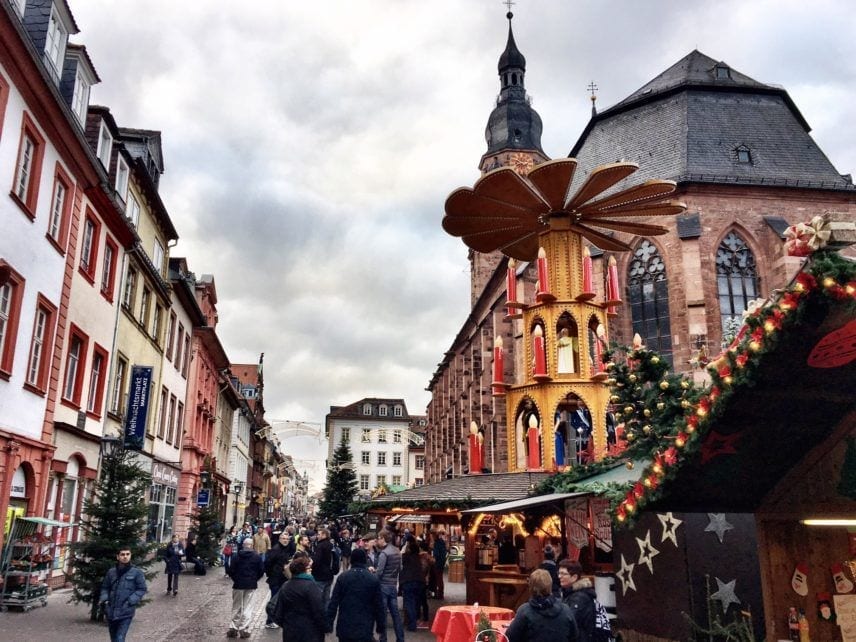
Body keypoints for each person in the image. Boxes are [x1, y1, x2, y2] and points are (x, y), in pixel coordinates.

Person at [326, 547, 386, 642]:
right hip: (365, 626)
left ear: (352, 560)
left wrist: (329, 624)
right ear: (364, 560)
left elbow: (333, 603)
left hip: (345, 625)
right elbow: (379, 605)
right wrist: (380, 626)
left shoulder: (343, 578)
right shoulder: (373, 579)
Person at [505, 569, 579, 642]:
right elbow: (575, 636)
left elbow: (509, 637)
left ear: (530, 586)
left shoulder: (525, 611)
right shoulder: (565, 609)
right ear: (550, 585)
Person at [273, 554, 326, 642]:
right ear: (302, 570)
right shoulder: (311, 586)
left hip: (290, 631)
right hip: (310, 632)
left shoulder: (285, 586)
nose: (311, 570)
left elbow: (278, 612)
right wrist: (325, 627)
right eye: (308, 568)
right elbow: (318, 610)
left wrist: (287, 625)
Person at [99, 547, 148, 642]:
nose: (125, 557)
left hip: (126, 612)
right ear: (118, 557)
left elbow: (142, 589)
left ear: (130, 556)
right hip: (111, 611)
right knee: (114, 638)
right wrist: (105, 600)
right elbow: (105, 587)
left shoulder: (136, 572)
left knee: (119, 638)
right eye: (122, 554)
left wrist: (130, 601)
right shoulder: (111, 572)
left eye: (127, 554)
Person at [227, 538, 264, 638]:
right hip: (251, 584)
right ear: (252, 545)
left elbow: (231, 570)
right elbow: (261, 570)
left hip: (238, 584)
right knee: (248, 607)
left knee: (236, 606)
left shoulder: (236, 556)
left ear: (243, 545)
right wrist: (254, 579)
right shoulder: (257, 557)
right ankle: (244, 628)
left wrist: (235, 579)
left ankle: (233, 628)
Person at [375, 529, 405, 642]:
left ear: (383, 539)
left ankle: (383, 639)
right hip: (393, 585)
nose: (378, 540)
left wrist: (374, 577)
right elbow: (400, 568)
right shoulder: (397, 551)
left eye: (379, 538)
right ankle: (400, 638)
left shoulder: (384, 553)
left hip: (383, 586)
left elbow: (380, 572)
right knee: (395, 614)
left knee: (383, 614)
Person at [559, 560, 596, 642]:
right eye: (559, 573)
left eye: (563, 574)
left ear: (574, 577)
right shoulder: (568, 593)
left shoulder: (579, 598)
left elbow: (569, 621)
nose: (559, 576)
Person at [263, 531, 293, 629]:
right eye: (283, 539)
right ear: (280, 539)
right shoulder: (275, 549)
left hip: (282, 579)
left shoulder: (286, 549)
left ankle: (276, 619)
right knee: (274, 600)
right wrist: (271, 574)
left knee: (279, 600)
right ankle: (269, 621)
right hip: (275, 579)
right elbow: (267, 563)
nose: (285, 541)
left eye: (287, 539)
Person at [400, 539, 424, 631]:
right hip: (419, 581)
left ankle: (412, 624)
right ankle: (415, 621)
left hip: (408, 581)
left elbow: (401, 555)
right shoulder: (418, 557)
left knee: (409, 603)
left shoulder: (406, 556)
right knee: (416, 602)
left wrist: (405, 548)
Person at [311, 527, 335, 610]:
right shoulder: (331, 545)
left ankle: (319, 614)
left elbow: (316, 561)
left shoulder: (320, 546)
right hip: (330, 574)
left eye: (319, 534)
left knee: (318, 597)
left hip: (320, 575)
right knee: (327, 597)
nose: (317, 536)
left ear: (324, 535)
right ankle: (326, 613)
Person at [432, 529, 447, 599]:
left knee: (438, 578)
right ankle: (440, 593)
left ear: (435, 536)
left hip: (438, 562)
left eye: (432, 536)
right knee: (439, 578)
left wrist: (433, 558)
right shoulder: (442, 542)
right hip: (441, 562)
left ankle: (440, 594)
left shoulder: (437, 543)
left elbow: (436, 554)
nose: (432, 537)